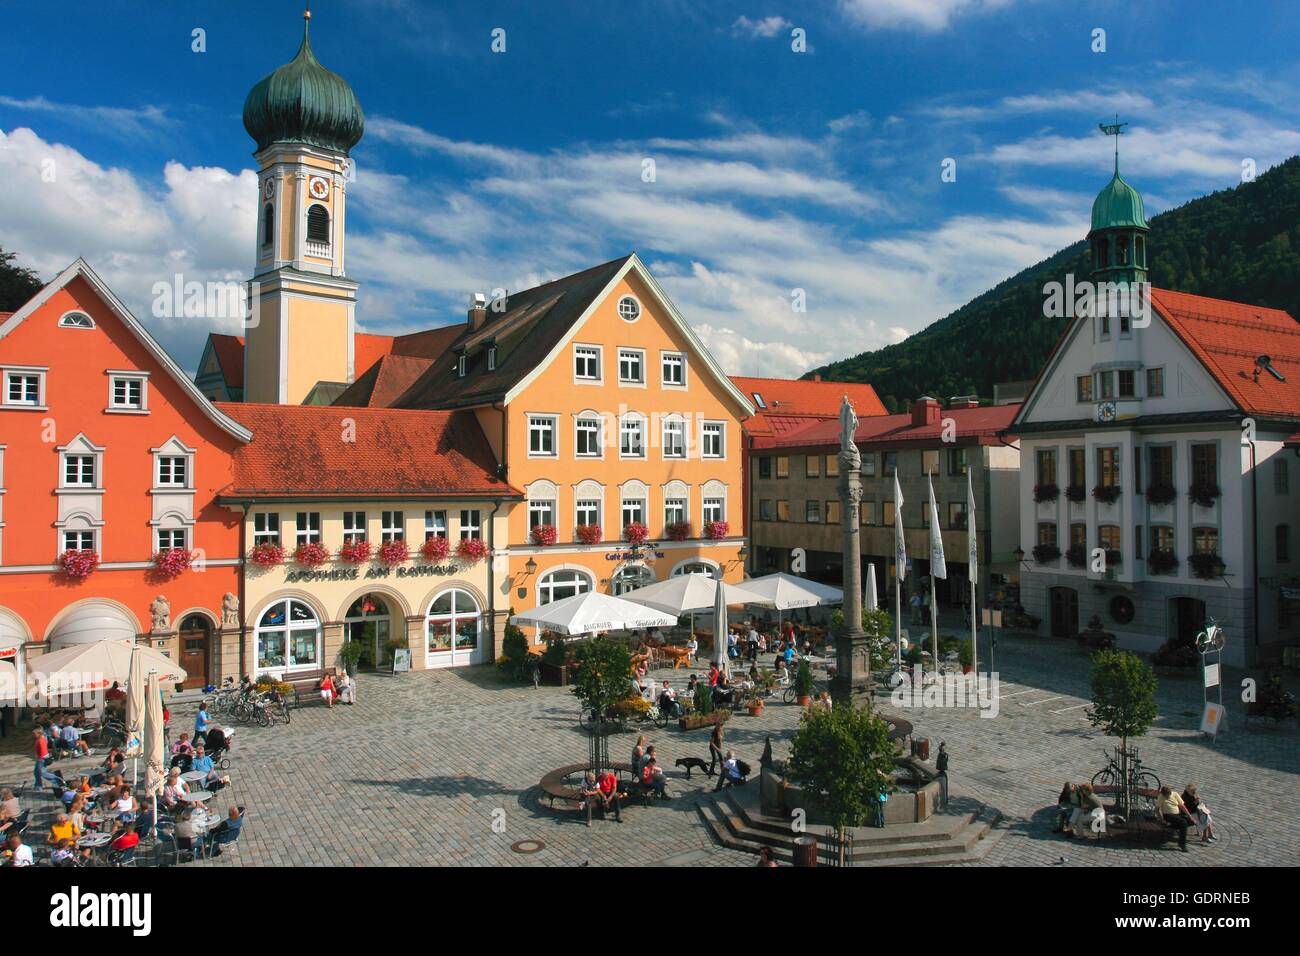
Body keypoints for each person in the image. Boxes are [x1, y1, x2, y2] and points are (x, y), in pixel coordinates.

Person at [1156, 786, 1192, 852]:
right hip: (1168, 815)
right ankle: (1182, 844)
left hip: (1177, 815)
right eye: (1166, 796)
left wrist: (1190, 816)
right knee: (1183, 823)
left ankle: (1170, 825)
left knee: (1190, 821)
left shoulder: (1175, 794)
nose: (1167, 797)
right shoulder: (1161, 796)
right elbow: (1157, 809)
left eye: (1168, 795)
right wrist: (1162, 819)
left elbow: (1182, 806)